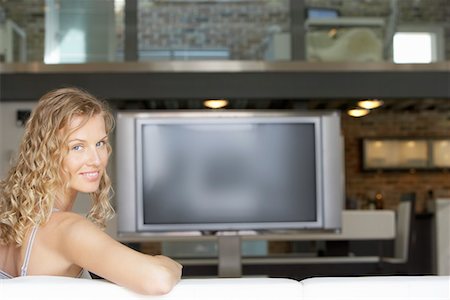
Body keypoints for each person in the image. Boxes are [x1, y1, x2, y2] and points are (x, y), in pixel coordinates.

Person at [0, 87, 182, 295]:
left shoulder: (15, 217)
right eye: (77, 147)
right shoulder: (68, 229)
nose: (96, 160)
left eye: (100, 143)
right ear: (47, 152)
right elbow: (157, 280)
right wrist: (168, 263)